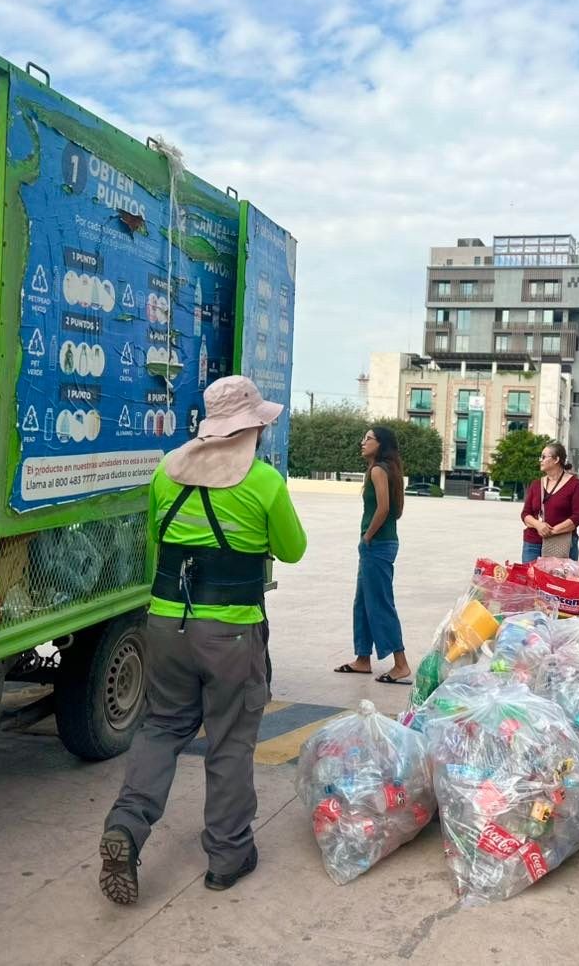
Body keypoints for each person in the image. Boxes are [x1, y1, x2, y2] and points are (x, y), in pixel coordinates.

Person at [99, 376, 307, 904]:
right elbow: (294, 549)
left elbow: (155, 541)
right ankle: (228, 854)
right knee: (231, 739)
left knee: (162, 726)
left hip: (166, 623)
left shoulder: (167, 473)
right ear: (251, 429)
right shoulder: (263, 484)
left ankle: (126, 825)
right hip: (231, 631)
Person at [335, 426, 410, 684]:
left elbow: (384, 508)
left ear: (381, 444)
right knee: (363, 602)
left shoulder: (379, 470)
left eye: (368, 439)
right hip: (380, 544)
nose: (362, 442)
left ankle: (401, 664)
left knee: (379, 603)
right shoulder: (385, 470)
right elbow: (395, 511)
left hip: (376, 545)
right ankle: (363, 659)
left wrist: (367, 536)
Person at [520, 442, 579, 561]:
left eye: (544, 457)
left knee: (560, 579)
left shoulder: (575, 484)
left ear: (556, 459)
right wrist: (538, 525)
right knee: (531, 578)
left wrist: (552, 531)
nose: (541, 460)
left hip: (562, 543)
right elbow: (525, 514)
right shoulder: (536, 484)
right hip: (533, 544)